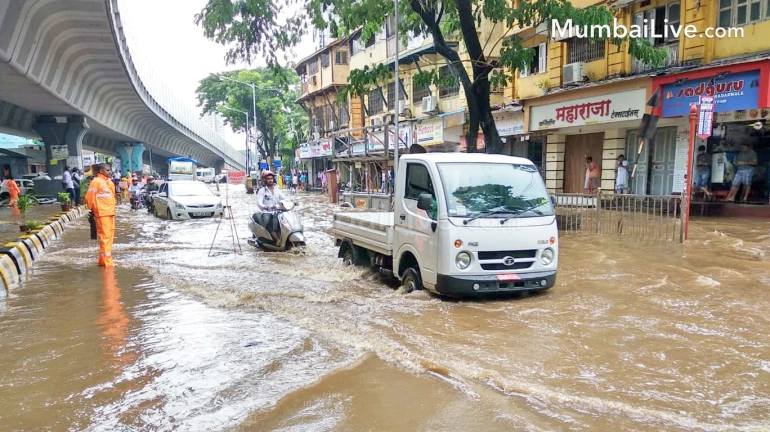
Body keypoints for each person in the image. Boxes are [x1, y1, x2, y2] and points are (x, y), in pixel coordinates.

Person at [85, 163, 117, 267]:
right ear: (100, 171)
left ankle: (103, 260)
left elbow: (112, 195)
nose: (110, 171)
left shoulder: (108, 182)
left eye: (110, 170)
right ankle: (107, 262)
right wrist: (93, 210)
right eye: (107, 170)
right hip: (102, 213)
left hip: (110, 212)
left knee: (109, 237)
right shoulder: (96, 182)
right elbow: (89, 197)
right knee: (105, 238)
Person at [256, 170, 292, 243]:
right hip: (267, 213)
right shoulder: (262, 191)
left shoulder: (277, 190)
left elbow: (285, 198)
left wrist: (293, 202)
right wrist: (265, 206)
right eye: (268, 179)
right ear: (264, 180)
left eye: (271, 178)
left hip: (278, 213)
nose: (270, 180)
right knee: (269, 222)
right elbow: (259, 202)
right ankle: (277, 240)